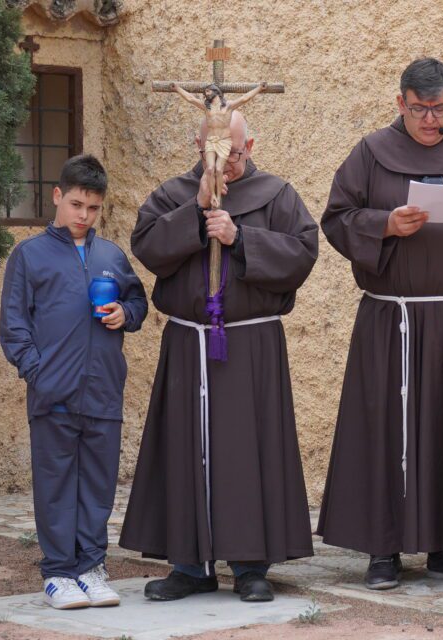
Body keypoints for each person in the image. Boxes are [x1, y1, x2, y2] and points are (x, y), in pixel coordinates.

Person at [317, 57, 443, 590]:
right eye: (420, 109)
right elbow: (336, 218)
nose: (431, 120)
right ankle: (382, 551)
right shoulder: (369, 154)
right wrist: (383, 223)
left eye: (440, 109)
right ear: (400, 103)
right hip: (394, 321)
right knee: (385, 429)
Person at [119, 110, 317, 603]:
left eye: (235, 153)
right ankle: (189, 565)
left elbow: (303, 255)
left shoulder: (277, 195)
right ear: (198, 144)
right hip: (190, 343)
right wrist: (196, 210)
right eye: (217, 153)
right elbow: (147, 247)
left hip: (251, 345)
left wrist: (241, 237)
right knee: (187, 447)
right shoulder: (171, 194)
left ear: (251, 145)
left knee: (249, 453)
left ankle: (251, 565)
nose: (227, 163)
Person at [0, 155, 148, 609]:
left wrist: (126, 314)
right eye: (77, 204)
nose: (84, 215)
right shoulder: (29, 255)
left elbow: (137, 302)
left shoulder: (111, 257)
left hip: (103, 390)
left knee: (98, 485)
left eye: (94, 208)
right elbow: (13, 326)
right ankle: (59, 573)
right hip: (53, 394)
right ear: (58, 196)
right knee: (57, 484)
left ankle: (92, 568)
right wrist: (38, 374)